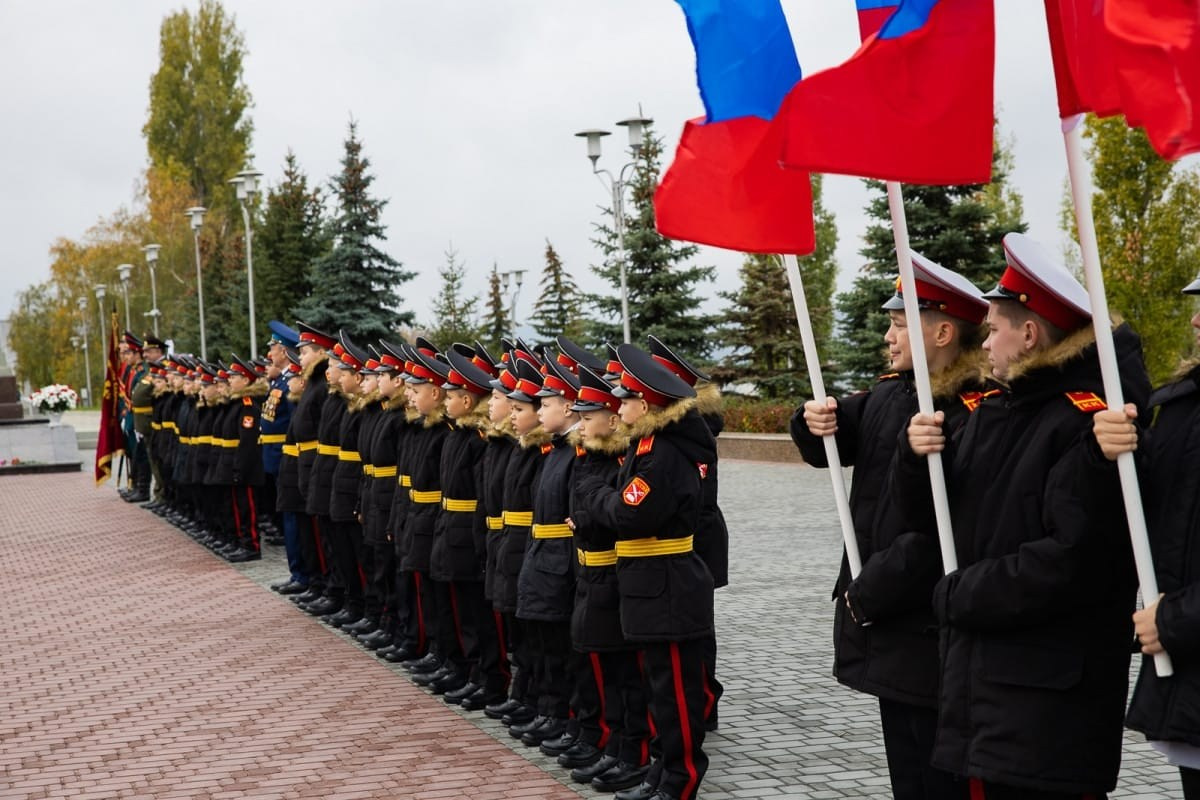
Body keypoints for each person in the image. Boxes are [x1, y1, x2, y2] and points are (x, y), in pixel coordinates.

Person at [899, 233, 1149, 799]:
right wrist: (914, 459)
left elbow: (1076, 561)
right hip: (991, 692)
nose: (984, 344)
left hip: (1048, 699)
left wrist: (959, 594)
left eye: (994, 330)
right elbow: (931, 518)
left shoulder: (1084, 424)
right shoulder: (998, 411)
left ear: (1030, 334)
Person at [791, 253, 992, 800]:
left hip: (924, 616)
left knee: (943, 772)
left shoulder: (971, 410)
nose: (888, 335)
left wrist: (870, 592)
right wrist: (813, 422)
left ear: (944, 331)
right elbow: (834, 443)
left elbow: (943, 528)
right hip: (884, 614)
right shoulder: (890, 393)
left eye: (901, 324)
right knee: (908, 767)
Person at [572, 343, 715, 800]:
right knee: (659, 690)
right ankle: (661, 770)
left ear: (648, 404)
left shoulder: (663, 455)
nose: (620, 405)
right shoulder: (648, 447)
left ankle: (681, 779)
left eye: (627, 399)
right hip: (652, 586)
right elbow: (617, 504)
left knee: (674, 692)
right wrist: (604, 501)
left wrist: (594, 495)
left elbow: (628, 513)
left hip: (668, 585)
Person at [1094, 275, 1200, 799]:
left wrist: (1174, 621)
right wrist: (1120, 447)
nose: (1196, 320)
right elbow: (1158, 505)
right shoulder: (1185, 405)